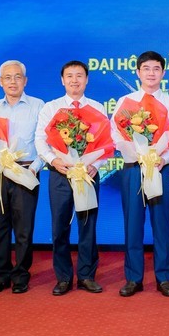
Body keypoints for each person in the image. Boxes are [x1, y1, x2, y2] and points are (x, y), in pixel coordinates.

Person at [110, 51, 169, 297]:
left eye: (156, 69)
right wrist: (136, 152)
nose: (151, 73)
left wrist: (161, 158)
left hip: (160, 169)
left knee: (162, 224)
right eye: (146, 68)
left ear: (163, 73)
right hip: (133, 169)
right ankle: (133, 278)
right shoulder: (125, 102)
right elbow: (115, 134)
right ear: (138, 72)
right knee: (133, 224)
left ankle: (164, 278)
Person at [35, 60, 107, 296]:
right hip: (60, 174)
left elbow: (106, 143)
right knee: (59, 227)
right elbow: (40, 140)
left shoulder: (97, 108)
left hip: (87, 175)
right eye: (70, 76)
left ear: (86, 80)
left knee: (87, 226)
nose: (74, 80)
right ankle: (63, 277)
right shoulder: (51, 108)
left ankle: (86, 276)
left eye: (79, 76)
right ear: (62, 80)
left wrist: (95, 164)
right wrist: (53, 160)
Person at [0, 60, 44, 294]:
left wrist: (35, 168)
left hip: (25, 171)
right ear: (0, 82)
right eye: (7, 77)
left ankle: (20, 275)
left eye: (17, 77)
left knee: (23, 228)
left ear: (25, 81)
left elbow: (44, 141)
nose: (12, 81)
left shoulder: (38, 106)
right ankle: (1, 275)